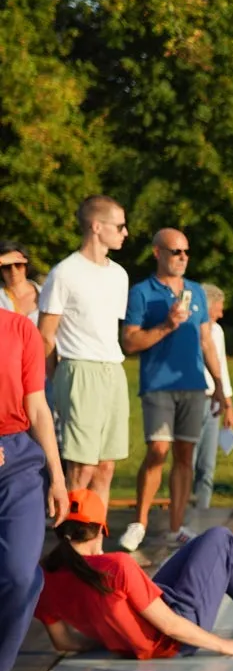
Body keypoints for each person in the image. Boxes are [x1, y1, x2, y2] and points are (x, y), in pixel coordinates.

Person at [35, 492, 233, 659]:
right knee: (221, 539)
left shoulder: (43, 577)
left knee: (196, 548)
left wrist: (113, 640)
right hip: (174, 640)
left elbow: (64, 642)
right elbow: (170, 626)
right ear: (100, 530)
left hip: (142, 629)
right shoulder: (117, 565)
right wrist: (224, 645)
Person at [119, 229, 230, 551]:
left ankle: (177, 526)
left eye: (185, 252)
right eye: (174, 251)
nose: (182, 257)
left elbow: (207, 341)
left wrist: (220, 385)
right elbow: (130, 341)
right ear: (157, 253)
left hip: (194, 386)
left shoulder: (196, 291)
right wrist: (167, 325)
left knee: (185, 457)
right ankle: (139, 522)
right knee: (158, 451)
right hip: (158, 385)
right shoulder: (142, 292)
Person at [37, 195, 131, 505]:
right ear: (96, 226)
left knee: (106, 467)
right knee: (82, 467)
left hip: (113, 369)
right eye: (119, 226)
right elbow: (46, 335)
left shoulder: (119, 274)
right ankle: (72, 545)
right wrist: (57, 379)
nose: (125, 233)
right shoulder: (64, 273)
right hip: (79, 369)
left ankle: (95, 547)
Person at [0, 307, 68, 671]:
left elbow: (38, 407)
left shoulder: (19, 329)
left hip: (19, 460)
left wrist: (57, 477)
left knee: (22, 576)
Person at [192, 284, 233, 510]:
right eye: (217, 308)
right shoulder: (188, 328)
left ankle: (203, 510)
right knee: (187, 461)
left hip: (212, 400)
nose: (221, 313)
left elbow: (222, 368)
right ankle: (182, 512)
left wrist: (228, 405)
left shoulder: (217, 332)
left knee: (207, 463)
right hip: (191, 398)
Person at [0, 241, 42, 323]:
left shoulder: (45, 294)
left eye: (18, 264)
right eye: (7, 266)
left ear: (26, 266)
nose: (13, 270)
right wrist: (1, 259)